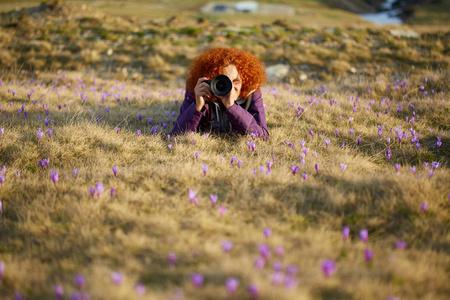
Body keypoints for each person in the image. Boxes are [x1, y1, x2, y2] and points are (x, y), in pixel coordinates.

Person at [170, 47, 269, 139]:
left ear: (244, 80)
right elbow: (177, 135)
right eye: (223, 82)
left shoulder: (251, 92)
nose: (230, 88)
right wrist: (197, 106)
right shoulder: (199, 90)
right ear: (210, 80)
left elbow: (262, 135)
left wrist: (232, 107)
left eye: (236, 81)